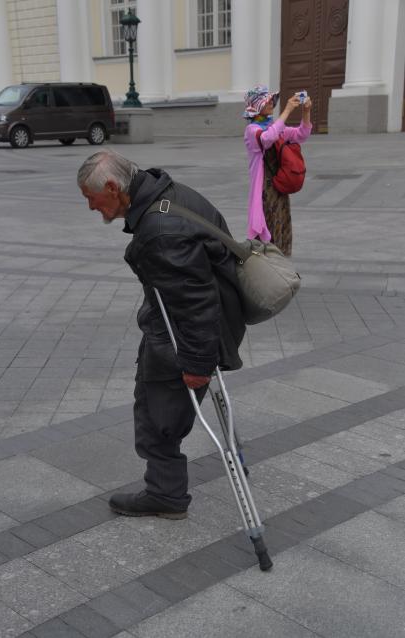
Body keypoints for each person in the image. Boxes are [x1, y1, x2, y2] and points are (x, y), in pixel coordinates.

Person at [77, 151, 245, 519]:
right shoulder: (170, 194)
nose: (91, 207)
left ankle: (165, 495)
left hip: (185, 337)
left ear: (112, 187)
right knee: (160, 411)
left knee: (157, 418)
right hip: (204, 322)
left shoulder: (160, 231)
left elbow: (194, 303)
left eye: (91, 198)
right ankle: (166, 490)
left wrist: (198, 364)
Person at [243, 85, 312, 256]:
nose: (272, 104)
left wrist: (306, 112)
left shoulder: (273, 126)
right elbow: (267, 138)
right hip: (264, 190)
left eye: (273, 100)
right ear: (257, 104)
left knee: (280, 223)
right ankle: (267, 261)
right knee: (268, 225)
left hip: (279, 185)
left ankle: (278, 260)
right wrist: (287, 110)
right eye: (268, 101)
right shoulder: (252, 130)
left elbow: (301, 134)